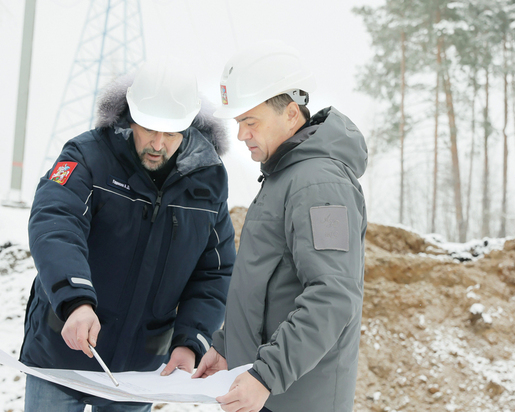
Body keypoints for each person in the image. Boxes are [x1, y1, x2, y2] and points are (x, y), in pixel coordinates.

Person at [20, 57, 236, 411]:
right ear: (129, 115)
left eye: (171, 132)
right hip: (61, 355)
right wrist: (75, 300)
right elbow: (55, 220)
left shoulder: (208, 182)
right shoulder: (88, 156)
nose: (158, 142)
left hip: (137, 374)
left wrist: (190, 340)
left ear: (189, 126)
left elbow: (214, 271)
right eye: (149, 128)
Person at [192, 41, 368, 412]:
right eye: (239, 123)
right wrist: (226, 347)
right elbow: (267, 284)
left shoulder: (320, 185)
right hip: (266, 392)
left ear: (290, 114)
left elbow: (332, 295)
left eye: (250, 122)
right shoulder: (283, 176)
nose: (241, 136)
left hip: (295, 399)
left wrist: (266, 375)